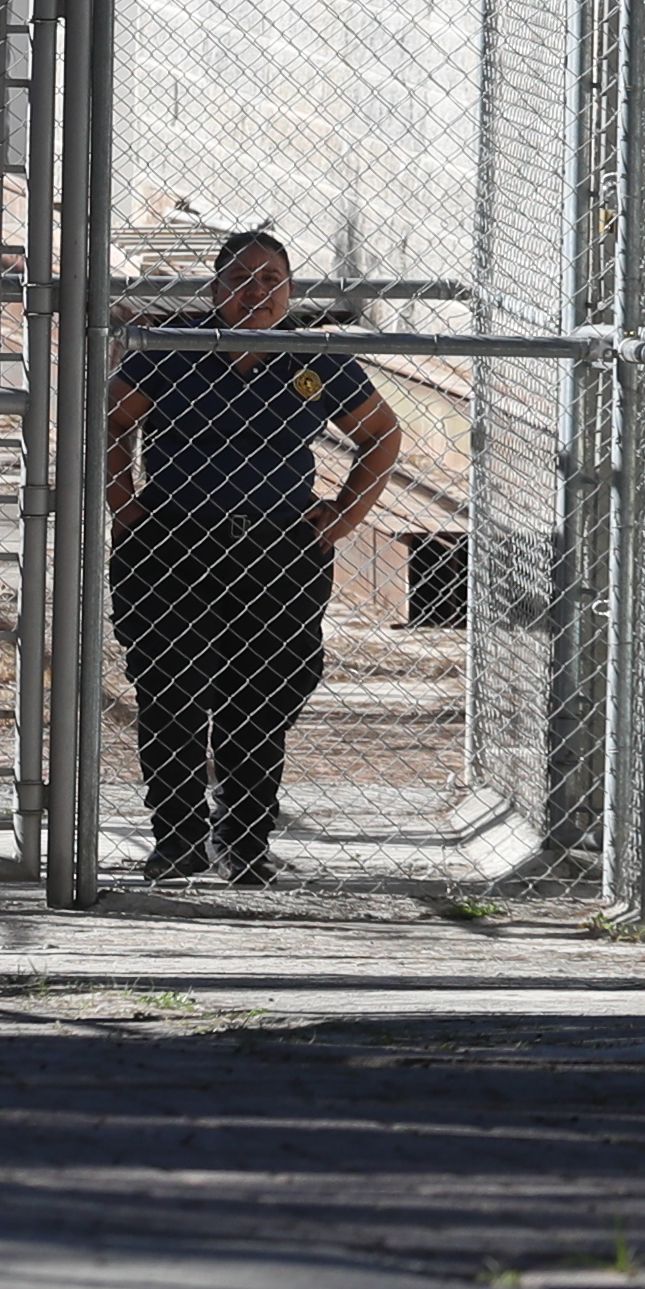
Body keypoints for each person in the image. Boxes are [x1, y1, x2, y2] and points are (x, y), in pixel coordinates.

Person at [107, 230, 402, 885]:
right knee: (169, 692)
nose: (256, 292)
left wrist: (345, 515)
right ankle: (178, 840)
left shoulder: (312, 359)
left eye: (272, 280)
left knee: (263, 697)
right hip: (173, 546)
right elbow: (111, 418)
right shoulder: (173, 348)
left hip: (276, 552)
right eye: (240, 278)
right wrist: (123, 503)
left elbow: (381, 435)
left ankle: (243, 842)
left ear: (290, 291)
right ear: (216, 289)